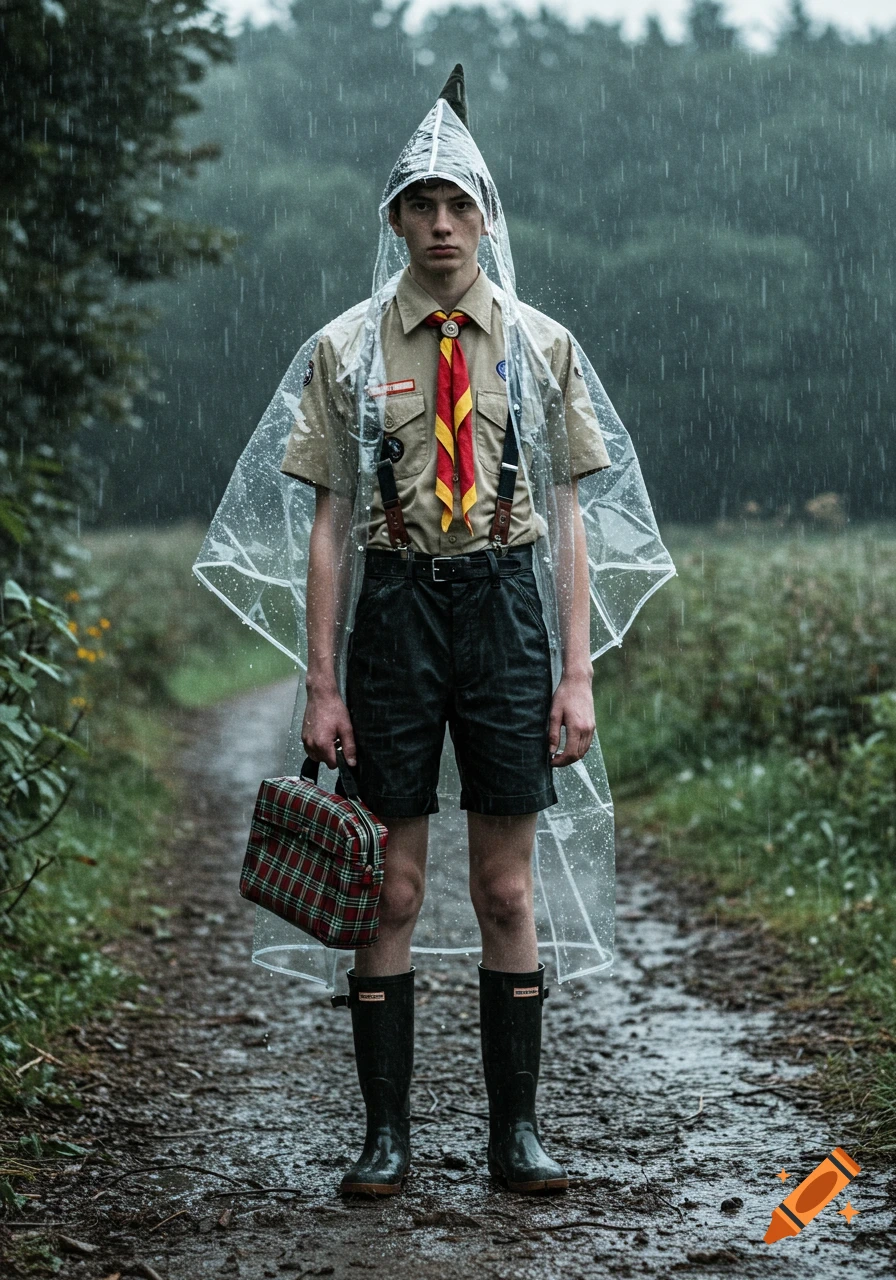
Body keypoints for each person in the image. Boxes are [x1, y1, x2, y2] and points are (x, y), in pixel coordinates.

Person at [193, 64, 674, 1200]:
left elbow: (569, 520)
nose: (443, 224)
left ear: (487, 217)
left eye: (460, 204)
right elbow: (326, 530)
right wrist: (321, 683)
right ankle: (385, 1137)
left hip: (506, 611)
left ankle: (518, 1135)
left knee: (507, 890)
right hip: (394, 613)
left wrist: (576, 674)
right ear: (396, 220)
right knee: (391, 887)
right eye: (423, 205)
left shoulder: (542, 347)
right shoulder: (346, 350)